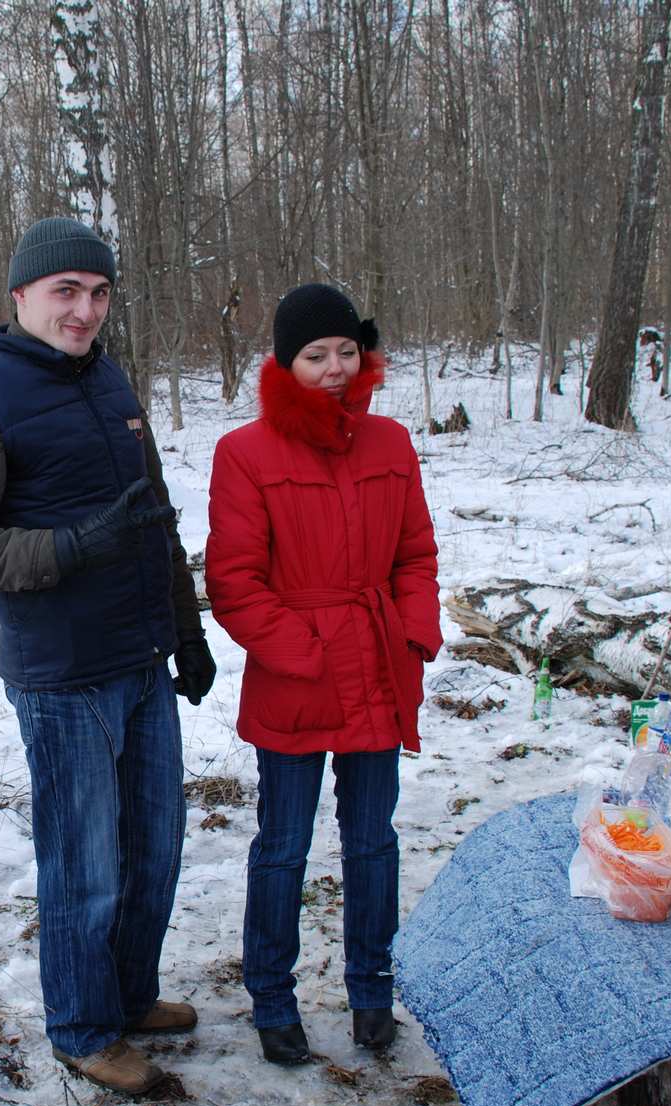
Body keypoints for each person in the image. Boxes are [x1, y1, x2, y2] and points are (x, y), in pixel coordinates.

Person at [0, 217, 215, 1095]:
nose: (84, 311)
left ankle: (125, 997)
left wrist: (185, 629)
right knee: (84, 864)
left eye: (97, 293)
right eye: (65, 293)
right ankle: (83, 1029)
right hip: (62, 676)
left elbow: (153, 513)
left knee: (154, 848)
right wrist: (69, 547)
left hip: (140, 658)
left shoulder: (108, 379)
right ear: (21, 297)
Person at [205, 283, 440, 1066]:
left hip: (377, 668)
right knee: (282, 845)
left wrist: (414, 632)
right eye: (315, 355)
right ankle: (271, 1000)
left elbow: (414, 554)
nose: (335, 368)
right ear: (284, 363)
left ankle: (372, 992)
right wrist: (302, 652)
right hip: (296, 678)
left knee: (372, 841)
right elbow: (234, 581)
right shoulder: (245, 453)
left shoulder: (390, 443)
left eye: (346, 351)